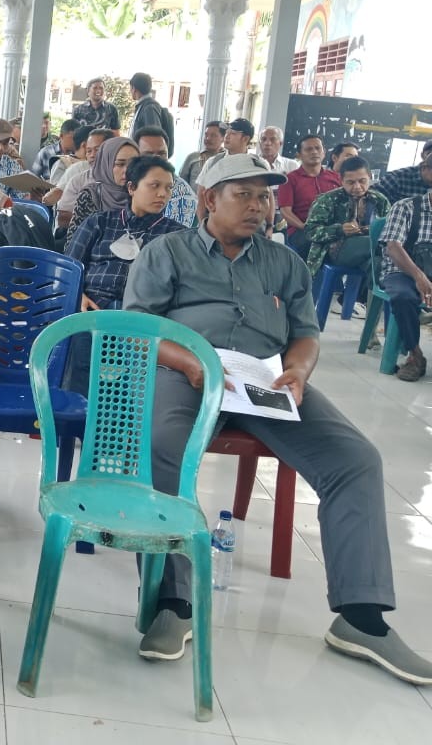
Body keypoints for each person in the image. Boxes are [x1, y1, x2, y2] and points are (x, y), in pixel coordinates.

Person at [123, 154, 432, 685]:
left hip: (265, 380)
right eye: (242, 194)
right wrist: (193, 364)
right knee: (160, 446)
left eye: (264, 196)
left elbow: (305, 331)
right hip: (188, 372)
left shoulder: (283, 262)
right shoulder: (167, 252)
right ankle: (174, 602)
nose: (258, 206)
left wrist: (297, 371)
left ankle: (361, 618)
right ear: (207, 200)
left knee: (355, 459)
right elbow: (137, 328)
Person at [68, 155, 186, 310]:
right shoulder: (99, 222)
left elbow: (182, 288)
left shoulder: (176, 235)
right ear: (131, 188)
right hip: (90, 309)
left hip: (143, 316)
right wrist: (79, 297)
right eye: (155, 185)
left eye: (169, 188)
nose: (163, 194)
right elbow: (69, 268)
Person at [303, 156, 389, 311]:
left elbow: (389, 228)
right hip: (335, 251)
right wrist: (339, 229)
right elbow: (310, 232)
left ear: (370, 177)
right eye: (351, 182)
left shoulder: (379, 200)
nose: (357, 186)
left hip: (368, 253)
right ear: (341, 180)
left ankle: (370, 330)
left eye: (362, 181)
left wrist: (374, 230)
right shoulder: (328, 199)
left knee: (377, 265)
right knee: (384, 248)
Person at [378, 179, 432, 381]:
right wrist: (419, 277)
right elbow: (393, 247)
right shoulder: (406, 207)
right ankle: (415, 354)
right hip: (402, 271)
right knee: (403, 296)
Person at [64, 136, 140, 251]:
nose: (127, 170)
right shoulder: (91, 196)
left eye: (133, 164)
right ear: (106, 164)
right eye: (120, 164)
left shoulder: (144, 196)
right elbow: (74, 245)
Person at [279, 134, 341, 256]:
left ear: (324, 152)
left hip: (332, 228)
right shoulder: (289, 179)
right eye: (308, 149)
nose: (314, 152)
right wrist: (304, 227)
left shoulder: (335, 178)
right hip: (301, 231)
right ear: (299, 155)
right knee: (324, 246)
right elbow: (285, 211)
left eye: (318, 148)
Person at [51, 127, 116, 233]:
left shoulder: (123, 180)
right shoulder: (78, 180)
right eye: (89, 151)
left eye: (97, 150)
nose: (92, 155)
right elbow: (62, 218)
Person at [133, 125, 197, 227]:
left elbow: (174, 238)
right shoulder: (131, 181)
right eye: (148, 154)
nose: (156, 159)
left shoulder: (181, 194)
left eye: (162, 154)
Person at [197, 117, 255, 209]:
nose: (227, 136)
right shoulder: (213, 162)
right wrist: (203, 220)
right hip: (217, 217)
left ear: (245, 139)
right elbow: (201, 194)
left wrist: (269, 223)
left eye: (232, 133)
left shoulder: (256, 164)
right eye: (227, 132)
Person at [128, 72, 173, 155]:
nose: (130, 91)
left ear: (134, 89)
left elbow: (154, 138)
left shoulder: (149, 108)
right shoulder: (143, 106)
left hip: (147, 161)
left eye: (130, 88)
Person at [178, 121, 225, 189]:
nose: (208, 138)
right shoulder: (193, 157)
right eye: (206, 135)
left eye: (213, 135)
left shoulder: (226, 159)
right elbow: (180, 182)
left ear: (223, 138)